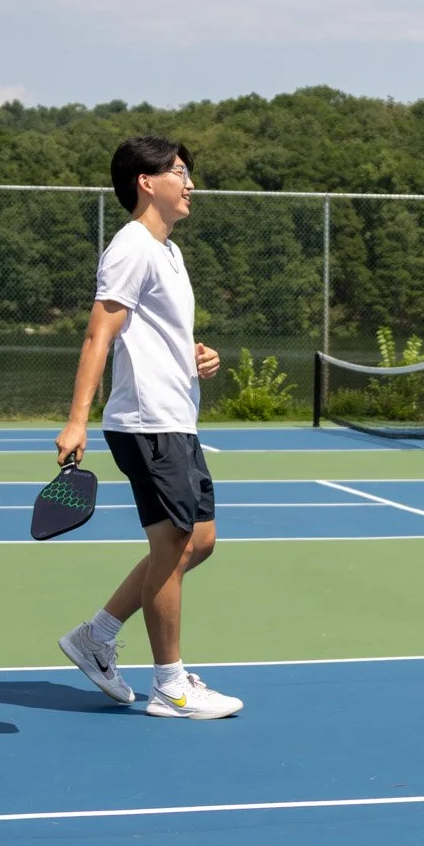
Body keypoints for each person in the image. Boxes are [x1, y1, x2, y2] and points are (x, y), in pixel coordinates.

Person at [53, 136, 242, 720]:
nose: (190, 184)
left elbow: (154, 333)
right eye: (179, 172)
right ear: (146, 181)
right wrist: (77, 420)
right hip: (146, 423)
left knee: (198, 543)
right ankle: (171, 685)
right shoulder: (132, 246)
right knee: (172, 546)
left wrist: (195, 355)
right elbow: (98, 334)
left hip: (176, 419)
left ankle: (96, 636)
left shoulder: (169, 252)